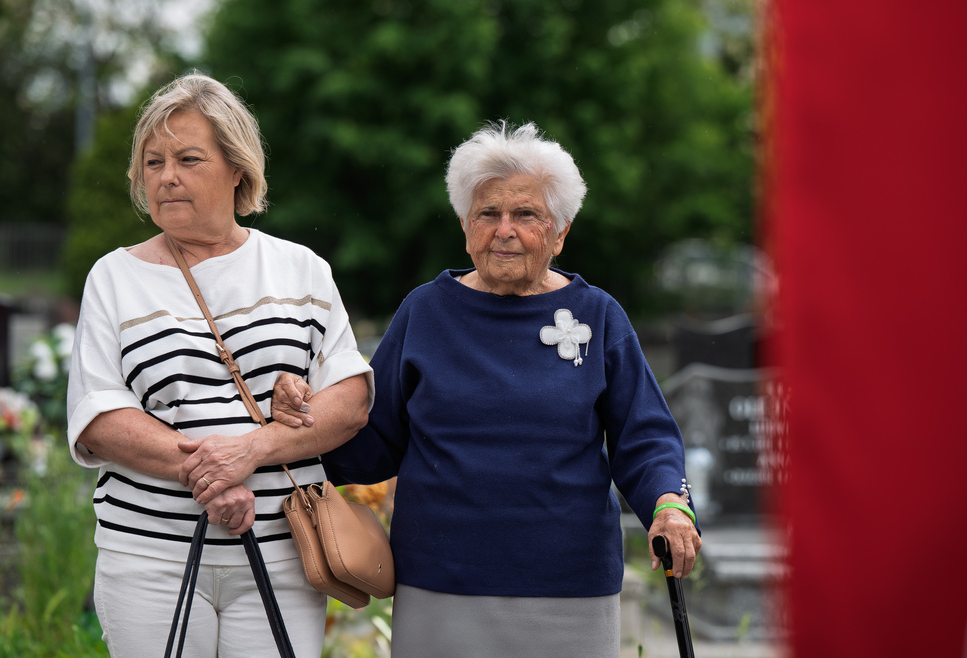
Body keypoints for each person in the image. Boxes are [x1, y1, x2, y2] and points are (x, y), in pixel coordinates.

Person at [271, 121, 701, 657]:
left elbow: (645, 436)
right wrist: (310, 410)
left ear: (560, 230)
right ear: (465, 226)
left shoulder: (599, 316)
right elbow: (371, 444)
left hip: (570, 588)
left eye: (526, 214)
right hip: (440, 582)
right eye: (488, 214)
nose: (505, 230)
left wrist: (669, 504)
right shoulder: (425, 312)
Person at [66, 72, 372, 658]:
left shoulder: (300, 269)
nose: (166, 177)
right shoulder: (114, 277)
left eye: (187, 158)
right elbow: (99, 414)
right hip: (150, 555)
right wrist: (203, 476)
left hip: (286, 551)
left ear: (238, 168)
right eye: (153, 162)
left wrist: (248, 454)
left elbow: (351, 399)